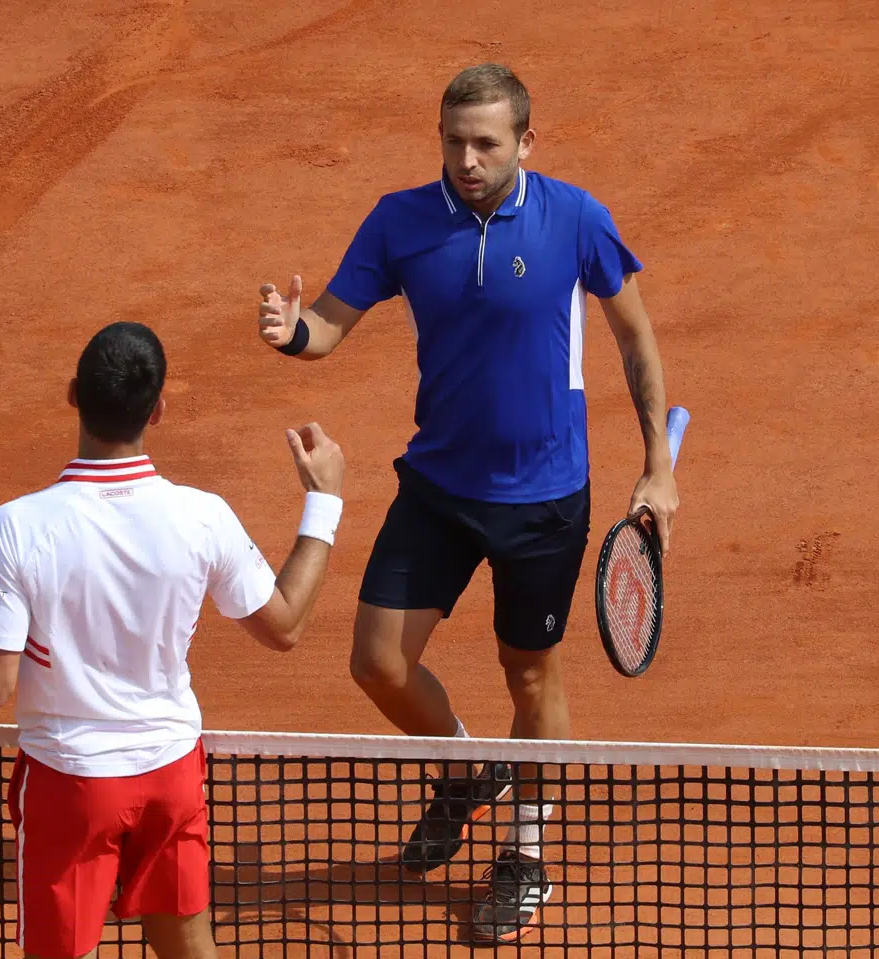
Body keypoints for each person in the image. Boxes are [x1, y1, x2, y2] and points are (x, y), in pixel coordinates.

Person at [255, 62, 679, 942]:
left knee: (530, 674)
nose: (467, 158)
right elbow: (331, 322)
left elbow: (634, 335)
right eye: (453, 141)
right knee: (377, 662)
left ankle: (527, 853)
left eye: (486, 142)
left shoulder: (575, 218)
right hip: (441, 485)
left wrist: (656, 466)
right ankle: (464, 769)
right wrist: (293, 333)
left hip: (545, 499)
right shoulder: (401, 220)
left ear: (528, 140)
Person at [0, 321, 346, 959]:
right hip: (171, 776)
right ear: (158, 409)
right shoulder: (202, 515)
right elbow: (285, 624)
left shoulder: (21, 526)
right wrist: (324, 500)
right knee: (188, 948)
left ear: (73, 395)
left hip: (71, 786)